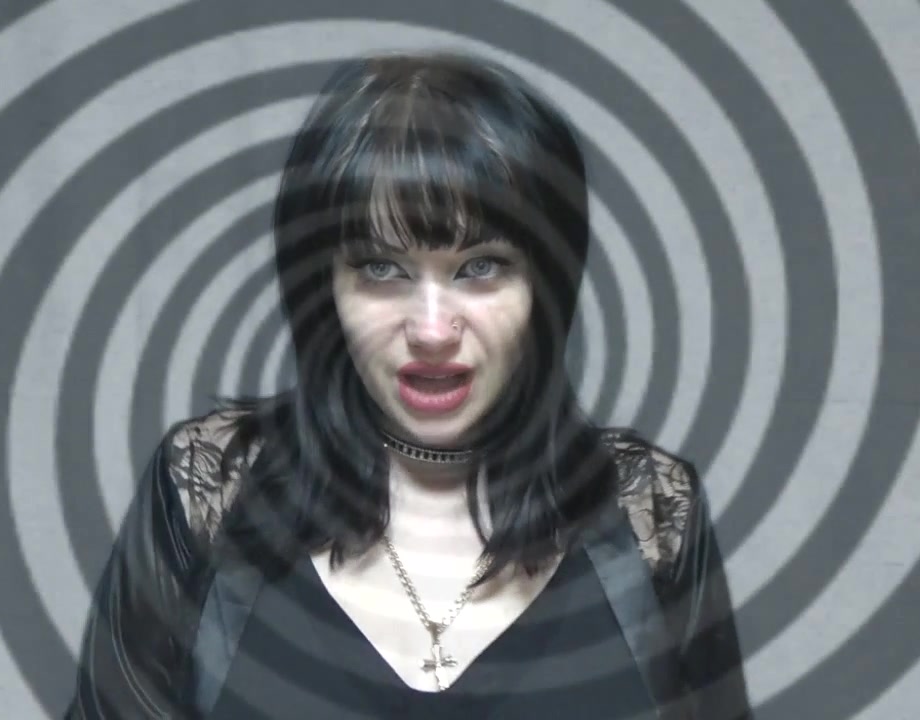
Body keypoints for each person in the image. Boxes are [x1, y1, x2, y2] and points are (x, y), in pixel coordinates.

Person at [66, 50, 752, 719]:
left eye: (480, 267)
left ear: (547, 284)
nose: (431, 330)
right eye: (381, 268)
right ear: (324, 287)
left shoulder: (650, 514)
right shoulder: (210, 491)